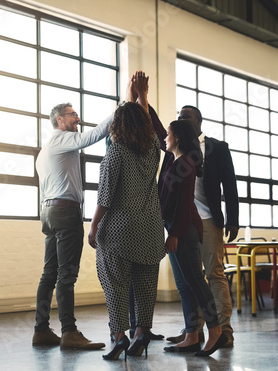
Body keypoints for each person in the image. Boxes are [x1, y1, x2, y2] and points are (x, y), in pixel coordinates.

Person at [88, 72, 165, 361]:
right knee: (146, 286)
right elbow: (148, 125)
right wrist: (142, 95)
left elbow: (105, 197)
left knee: (115, 284)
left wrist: (94, 225)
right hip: (151, 231)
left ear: (117, 125)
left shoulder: (115, 153)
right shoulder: (154, 150)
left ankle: (119, 335)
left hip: (119, 231)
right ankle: (142, 331)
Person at [32, 102, 112, 350]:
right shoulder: (62, 139)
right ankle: (69, 332)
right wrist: (121, 109)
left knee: (50, 274)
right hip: (65, 212)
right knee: (66, 275)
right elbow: (96, 134)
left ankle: (41, 330)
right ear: (59, 119)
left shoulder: (44, 151)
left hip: (49, 212)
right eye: (73, 114)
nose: (78, 118)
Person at [165, 106, 238, 347]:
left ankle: (224, 332)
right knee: (187, 279)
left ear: (199, 121)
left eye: (186, 117)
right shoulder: (175, 149)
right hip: (182, 221)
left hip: (208, 219)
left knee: (213, 274)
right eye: (179, 117)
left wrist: (233, 218)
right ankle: (192, 331)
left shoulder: (218, 147)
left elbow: (230, 184)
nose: (181, 120)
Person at [156, 119, 227, 356]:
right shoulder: (173, 160)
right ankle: (191, 335)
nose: (164, 137)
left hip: (183, 230)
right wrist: (143, 100)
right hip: (177, 228)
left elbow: (185, 204)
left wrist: (175, 233)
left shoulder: (184, 164)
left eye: (168, 134)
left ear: (176, 138)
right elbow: (157, 130)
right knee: (185, 285)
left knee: (195, 280)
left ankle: (216, 330)